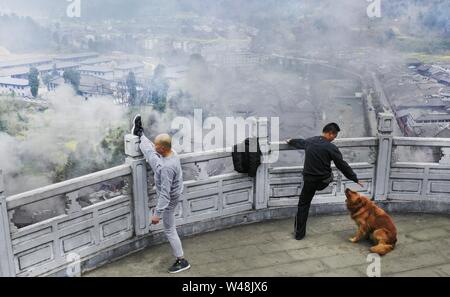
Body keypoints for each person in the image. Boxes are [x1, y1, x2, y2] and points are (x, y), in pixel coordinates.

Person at [132, 114, 190, 274]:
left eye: (157, 145)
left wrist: (157, 214)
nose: (155, 146)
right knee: (151, 154)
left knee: (170, 229)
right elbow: (153, 153)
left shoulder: (165, 168)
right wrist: (144, 139)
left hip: (170, 198)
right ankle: (139, 134)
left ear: (163, 148)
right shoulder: (172, 153)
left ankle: (181, 260)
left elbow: (165, 194)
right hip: (175, 191)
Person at [286, 123, 363, 240]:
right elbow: (342, 165)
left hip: (309, 180)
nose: (334, 138)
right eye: (335, 136)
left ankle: (299, 234)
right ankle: (327, 178)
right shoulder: (331, 148)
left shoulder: (309, 141)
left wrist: (290, 141)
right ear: (330, 133)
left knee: (303, 205)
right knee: (330, 174)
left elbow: (299, 142)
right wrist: (355, 178)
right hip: (323, 181)